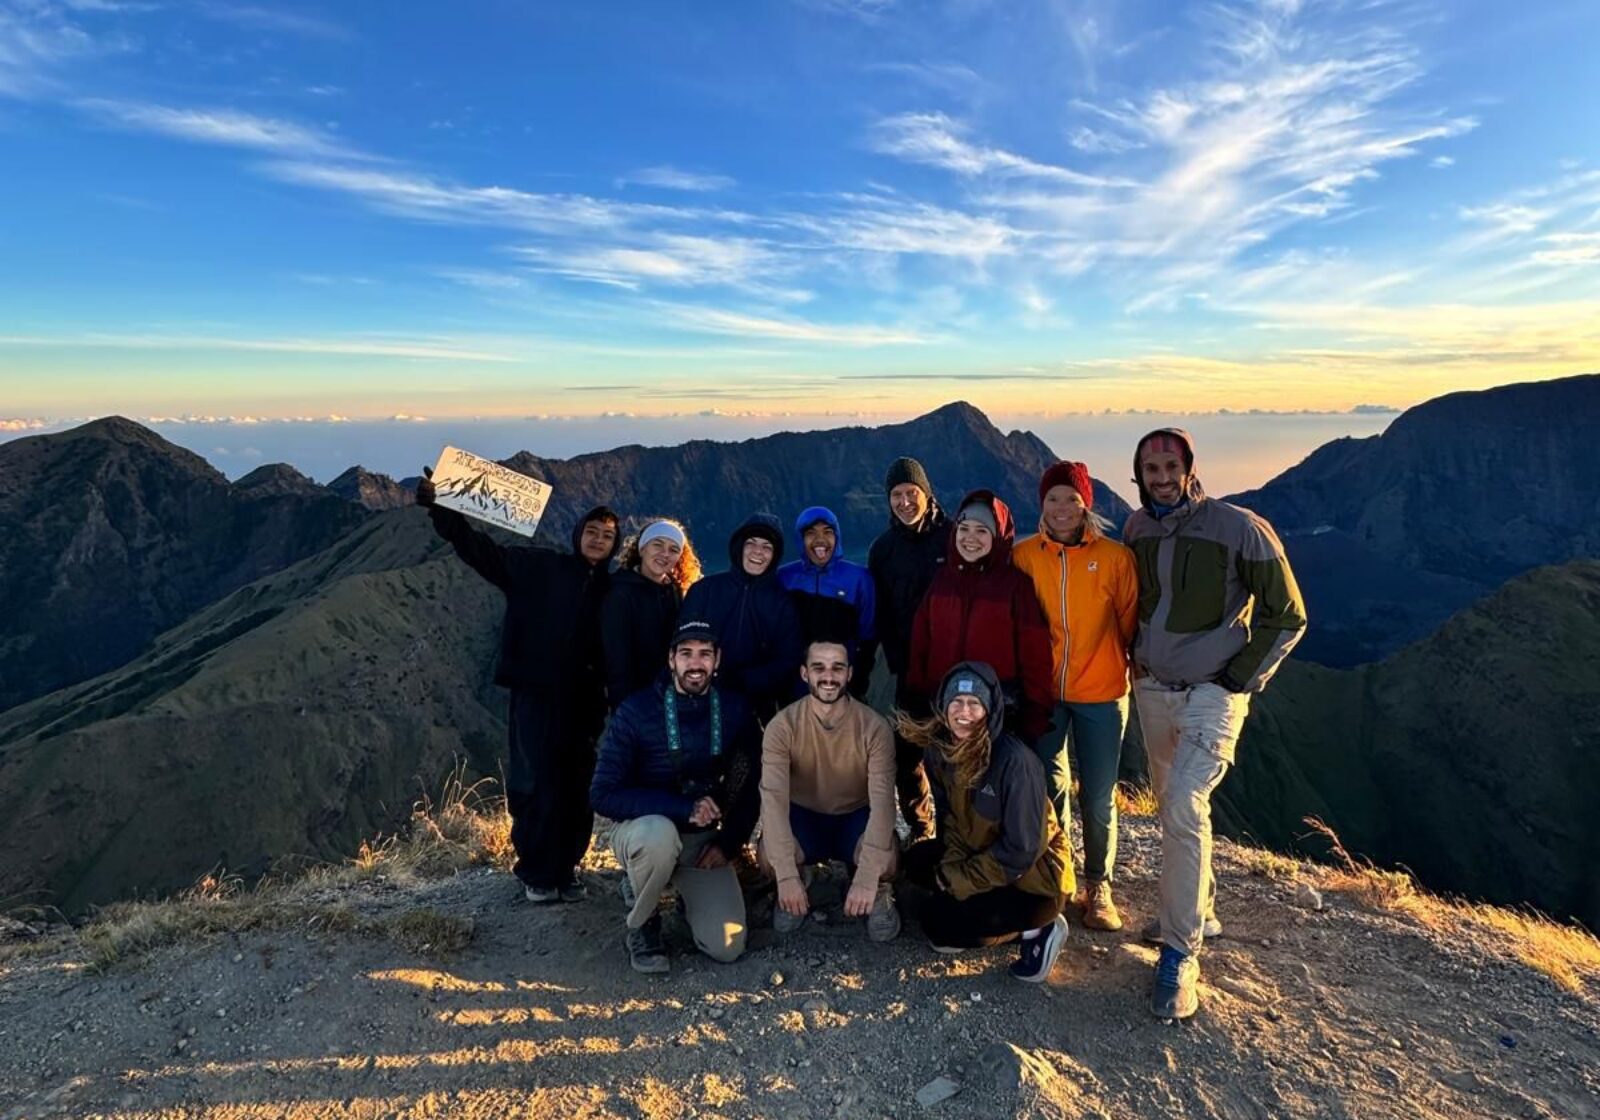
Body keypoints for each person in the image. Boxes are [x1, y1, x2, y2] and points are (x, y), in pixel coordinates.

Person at [1124, 428, 1307, 1019]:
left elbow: (1288, 615)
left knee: (1183, 805)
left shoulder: (1239, 528)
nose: (1160, 474)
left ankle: (1181, 952)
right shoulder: (1137, 529)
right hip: (1152, 687)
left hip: (1213, 693)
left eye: (1169, 463)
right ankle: (1196, 909)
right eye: (1149, 466)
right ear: (1139, 473)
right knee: (1167, 803)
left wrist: (1237, 680)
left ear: (1188, 467)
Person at [415, 469, 620, 903]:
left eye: (607, 535)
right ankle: (535, 872)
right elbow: (482, 553)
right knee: (534, 783)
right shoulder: (541, 567)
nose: (599, 539)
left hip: (585, 705)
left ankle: (565, 868)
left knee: (577, 786)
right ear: (577, 533)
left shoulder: (614, 591)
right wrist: (442, 507)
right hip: (536, 697)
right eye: (593, 531)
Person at [590, 619, 761, 974]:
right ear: (671, 660)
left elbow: (751, 781)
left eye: (704, 654)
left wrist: (729, 844)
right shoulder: (637, 712)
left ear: (718, 660)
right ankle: (643, 922)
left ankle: (684, 895)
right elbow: (603, 794)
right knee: (658, 838)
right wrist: (682, 808)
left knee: (727, 947)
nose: (695, 664)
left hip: (701, 840)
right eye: (686, 654)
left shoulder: (734, 710)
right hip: (645, 830)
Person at [1012, 461, 1139, 932]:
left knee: (1100, 795)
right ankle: (1056, 873)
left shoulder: (1114, 558)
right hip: (1045, 693)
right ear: (1040, 505)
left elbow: (1129, 624)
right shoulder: (1025, 556)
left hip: (1102, 693)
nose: (1063, 508)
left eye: (1072, 499)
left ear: (1087, 504)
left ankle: (1099, 885)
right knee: (1048, 785)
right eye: (1053, 499)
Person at [897, 661, 1071, 982]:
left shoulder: (1015, 762)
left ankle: (1039, 929)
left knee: (938, 925)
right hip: (981, 854)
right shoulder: (942, 753)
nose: (964, 712)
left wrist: (960, 880)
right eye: (956, 702)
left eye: (974, 703)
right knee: (916, 865)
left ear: (990, 710)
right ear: (944, 706)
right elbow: (951, 821)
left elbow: (1020, 851)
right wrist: (951, 872)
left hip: (1034, 880)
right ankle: (977, 913)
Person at [759, 639, 900, 942]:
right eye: (818, 667)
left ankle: (877, 890)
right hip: (805, 816)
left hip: (854, 817)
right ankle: (799, 880)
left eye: (837, 668)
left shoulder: (874, 727)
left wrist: (866, 877)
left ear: (849, 674)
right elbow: (772, 801)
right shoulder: (781, 726)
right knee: (767, 857)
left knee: (887, 858)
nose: (828, 676)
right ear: (804, 673)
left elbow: (885, 805)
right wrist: (785, 875)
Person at [906, 490, 1054, 746]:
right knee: (949, 782)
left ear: (997, 536)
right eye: (964, 529)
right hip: (945, 711)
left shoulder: (1015, 586)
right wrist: (917, 694)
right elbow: (922, 641)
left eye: (982, 531)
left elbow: (1036, 654)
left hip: (1001, 714)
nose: (970, 538)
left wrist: (1035, 710)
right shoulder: (943, 581)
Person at [866, 456, 949, 844]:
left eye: (910, 493)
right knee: (906, 757)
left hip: (951, 673)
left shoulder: (952, 538)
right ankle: (921, 828)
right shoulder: (883, 550)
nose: (904, 502)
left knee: (951, 756)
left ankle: (954, 831)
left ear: (926, 493)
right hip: (908, 672)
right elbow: (879, 613)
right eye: (896, 495)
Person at [681, 513, 805, 723]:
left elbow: (788, 660)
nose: (758, 551)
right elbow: (681, 645)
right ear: (739, 546)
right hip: (700, 702)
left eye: (767, 546)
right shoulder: (704, 591)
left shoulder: (782, 603)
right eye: (751, 543)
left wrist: (744, 682)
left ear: (775, 555)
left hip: (756, 709)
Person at [601, 518, 702, 711]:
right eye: (658, 545)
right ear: (641, 549)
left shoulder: (674, 592)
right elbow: (616, 659)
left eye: (674, 550)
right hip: (632, 701)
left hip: (668, 699)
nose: (665, 554)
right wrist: (624, 708)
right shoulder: (619, 592)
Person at [777, 506, 876, 699]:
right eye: (811, 533)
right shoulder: (784, 578)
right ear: (800, 539)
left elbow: (868, 636)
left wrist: (858, 680)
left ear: (837, 536)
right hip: (794, 684)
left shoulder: (860, 579)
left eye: (827, 532)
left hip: (843, 682)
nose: (820, 539)